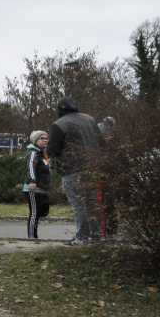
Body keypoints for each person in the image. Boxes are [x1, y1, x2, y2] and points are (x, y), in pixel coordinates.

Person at [44, 97, 102, 246]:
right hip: (92, 169)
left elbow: (52, 149)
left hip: (71, 170)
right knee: (92, 203)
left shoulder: (59, 124)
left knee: (79, 205)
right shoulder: (90, 120)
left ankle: (81, 239)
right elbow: (101, 143)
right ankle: (96, 237)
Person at [24, 131, 51, 239]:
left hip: (43, 188)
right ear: (36, 140)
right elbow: (30, 167)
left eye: (46, 138)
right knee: (34, 214)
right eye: (42, 138)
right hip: (33, 188)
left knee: (44, 211)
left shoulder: (43, 153)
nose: (45, 140)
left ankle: (33, 235)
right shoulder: (32, 152)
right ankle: (32, 237)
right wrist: (32, 181)